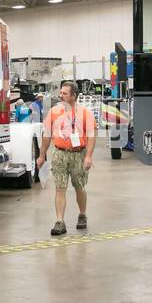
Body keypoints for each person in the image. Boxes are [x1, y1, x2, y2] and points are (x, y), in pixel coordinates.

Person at [36, 80, 95, 236]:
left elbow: (91, 136)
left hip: (79, 154)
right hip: (60, 154)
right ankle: (60, 221)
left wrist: (88, 156)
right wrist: (42, 155)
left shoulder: (85, 113)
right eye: (60, 92)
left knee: (79, 187)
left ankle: (82, 214)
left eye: (64, 93)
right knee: (60, 188)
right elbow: (47, 135)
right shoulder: (54, 112)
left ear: (73, 96)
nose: (60, 95)